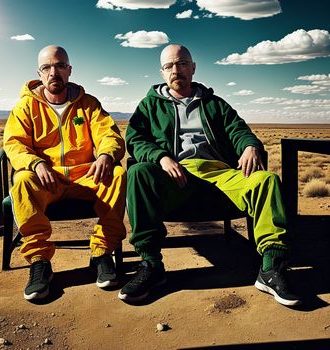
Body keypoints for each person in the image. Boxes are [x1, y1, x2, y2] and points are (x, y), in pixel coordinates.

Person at [119, 44, 301, 306]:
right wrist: (162, 157)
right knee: (138, 172)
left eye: (182, 63)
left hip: (219, 173)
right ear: (161, 72)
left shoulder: (215, 104)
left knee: (266, 181)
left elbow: (238, 130)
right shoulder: (149, 106)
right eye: (169, 66)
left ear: (193, 68)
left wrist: (250, 146)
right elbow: (135, 139)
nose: (176, 70)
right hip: (174, 175)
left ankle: (271, 267)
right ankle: (151, 264)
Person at [3, 45, 126, 301]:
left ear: (69, 70)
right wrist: (35, 163)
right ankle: (39, 262)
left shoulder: (88, 104)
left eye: (59, 66)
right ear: (39, 72)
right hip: (48, 180)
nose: (53, 72)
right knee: (23, 178)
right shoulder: (26, 107)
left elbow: (108, 134)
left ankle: (101, 253)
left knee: (116, 173)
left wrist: (105, 155)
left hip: (85, 176)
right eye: (47, 67)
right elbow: (14, 143)